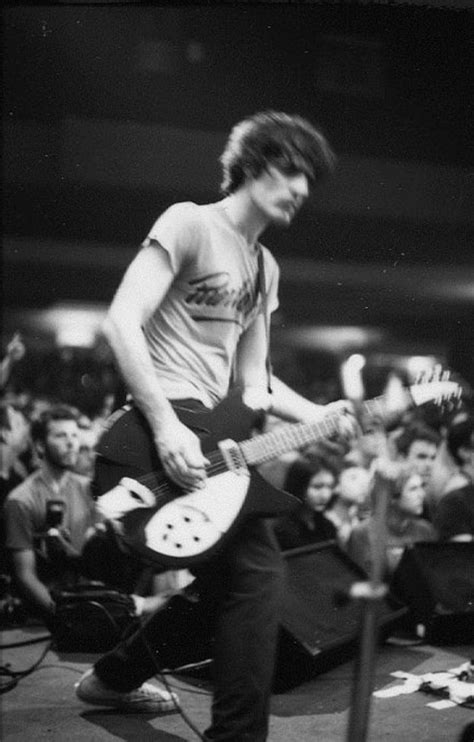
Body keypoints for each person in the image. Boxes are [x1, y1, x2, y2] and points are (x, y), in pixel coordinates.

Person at [74, 110, 353, 738]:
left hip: (212, 444)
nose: (302, 189)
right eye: (291, 171)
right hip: (154, 439)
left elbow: (254, 386)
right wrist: (168, 425)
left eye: (310, 179)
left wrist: (320, 414)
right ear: (252, 166)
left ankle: (114, 677)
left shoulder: (264, 268)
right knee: (256, 574)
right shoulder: (190, 222)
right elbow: (122, 321)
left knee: (234, 582)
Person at [3, 404, 99, 621]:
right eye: (61, 436)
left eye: (75, 435)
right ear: (40, 446)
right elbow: (25, 575)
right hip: (45, 614)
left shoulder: (88, 489)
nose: (71, 442)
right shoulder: (20, 500)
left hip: (91, 601)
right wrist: (64, 616)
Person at [274, 456, 339, 550]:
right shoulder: (280, 529)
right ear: (299, 486)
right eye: (317, 487)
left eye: (330, 487)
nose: (325, 495)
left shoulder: (328, 527)